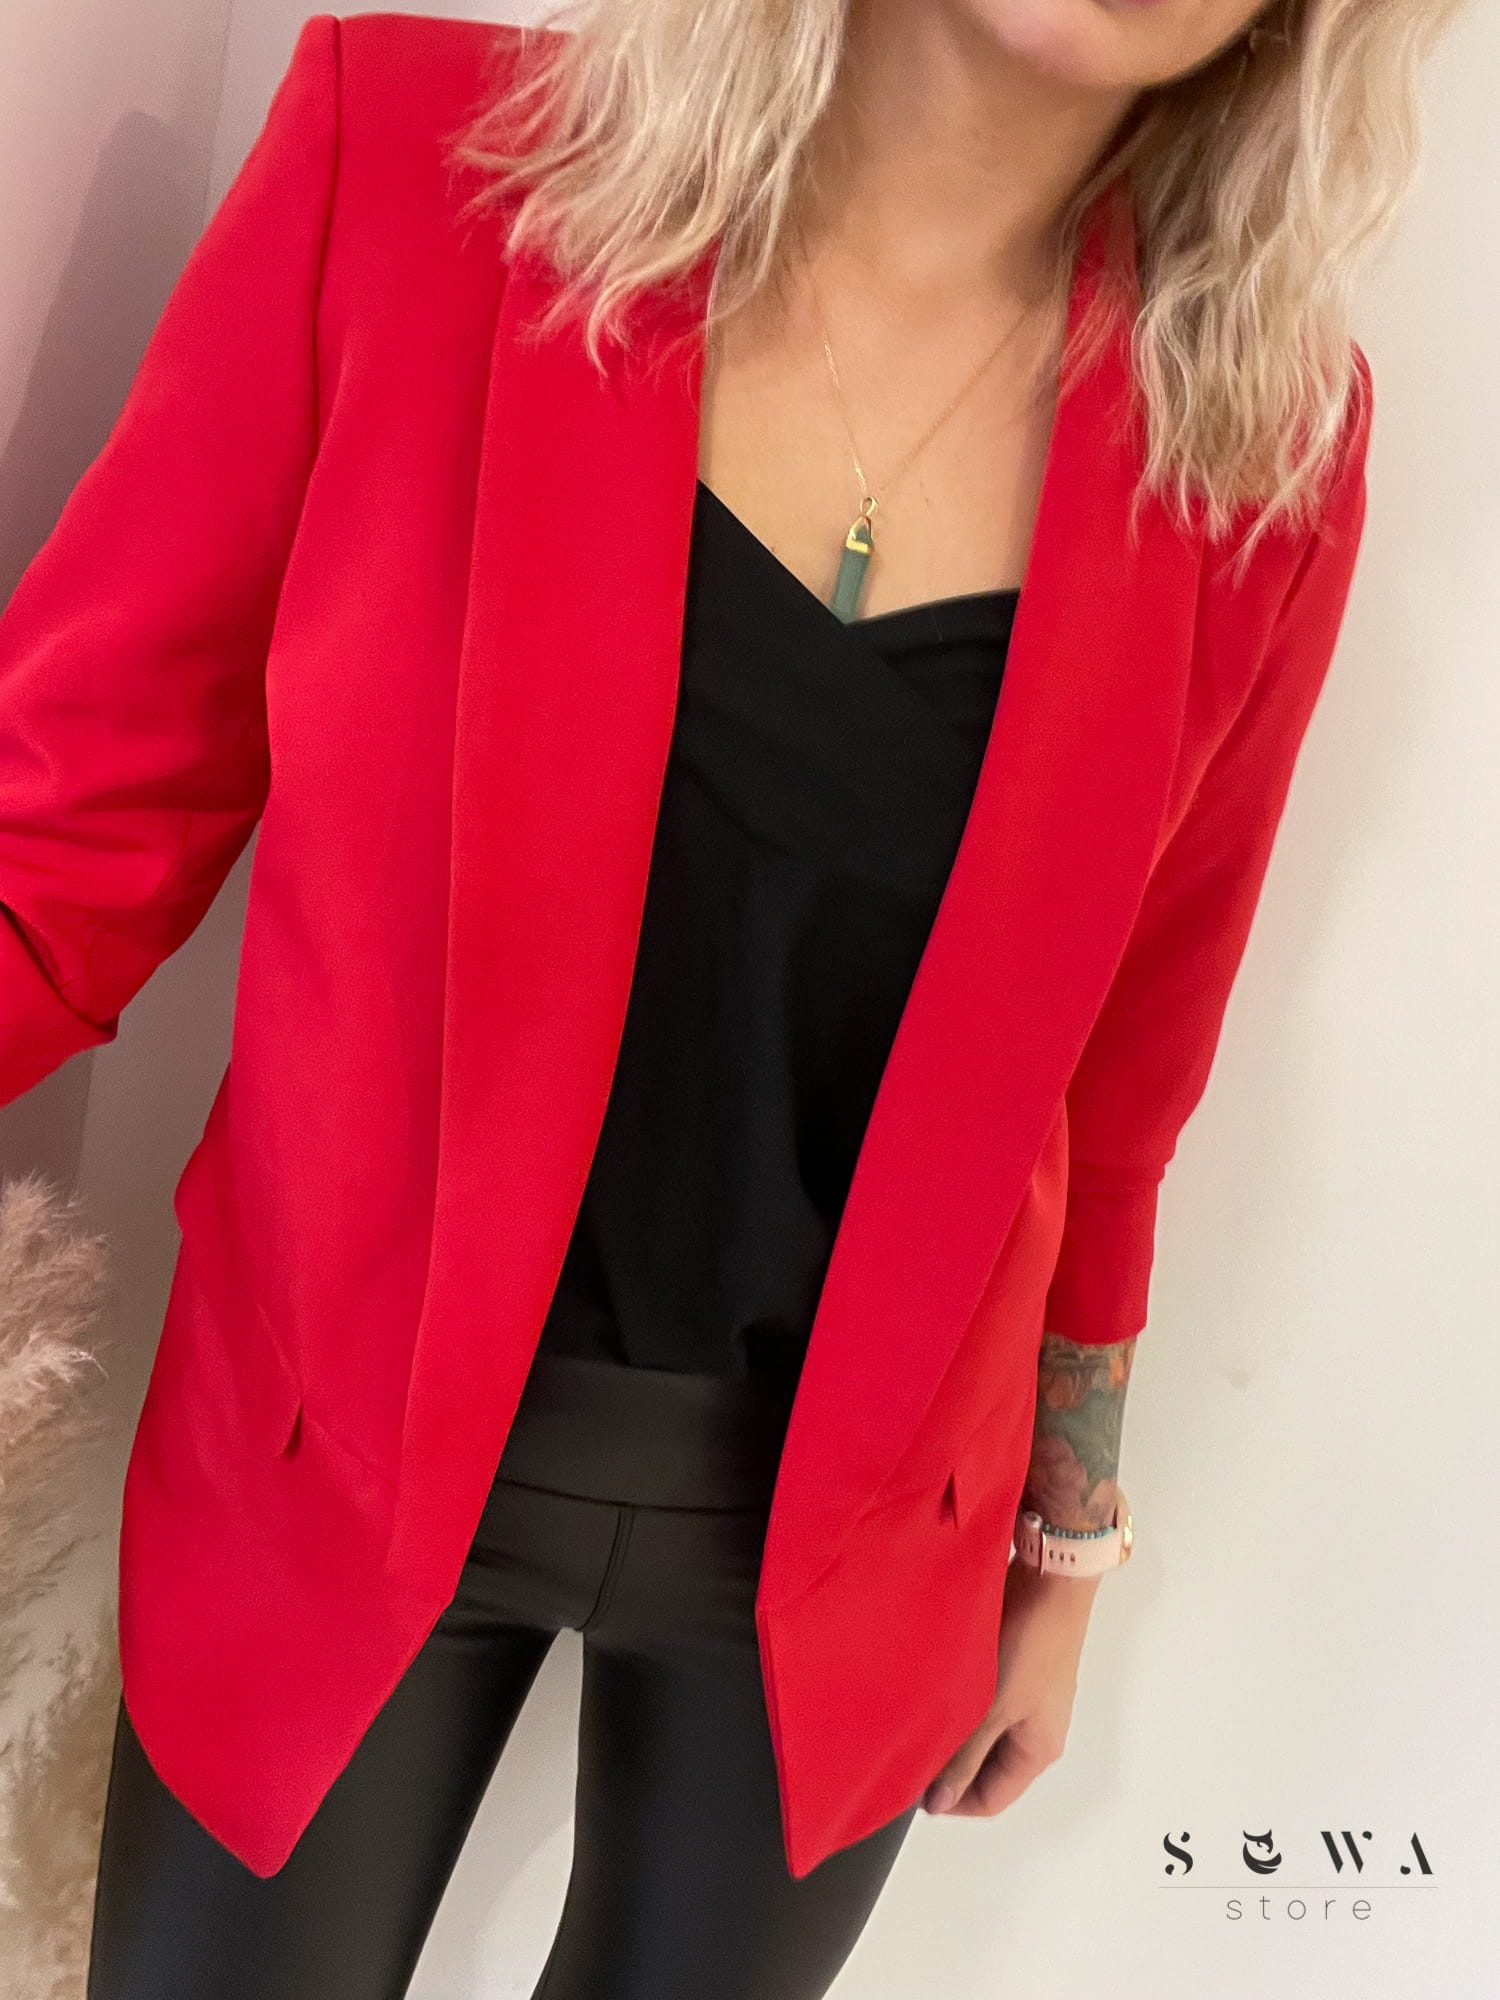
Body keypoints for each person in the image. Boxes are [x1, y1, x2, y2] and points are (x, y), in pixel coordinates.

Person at [0, 1, 1458, 1995]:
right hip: (324, 1466)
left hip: (855, 1544)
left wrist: (1068, 1536)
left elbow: (1129, 1073)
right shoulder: (416, 167)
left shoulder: (1264, 451)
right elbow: (71, 826)